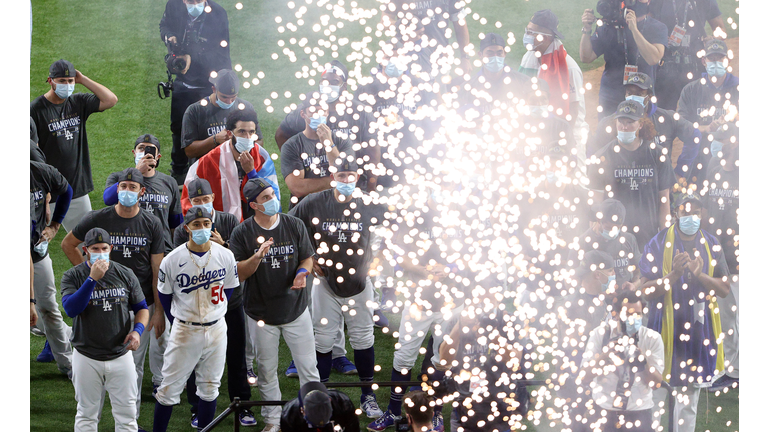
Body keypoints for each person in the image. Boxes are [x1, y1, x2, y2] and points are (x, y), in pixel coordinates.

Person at [61, 168, 166, 422]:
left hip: (139, 303)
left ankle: (132, 420)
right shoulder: (98, 218)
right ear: (116, 190)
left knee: (134, 368)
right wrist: (87, 274)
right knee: (90, 390)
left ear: (142, 191)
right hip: (96, 303)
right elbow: (67, 244)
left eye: (133, 187)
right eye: (123, 186)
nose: (127, 191)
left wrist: (159, 312)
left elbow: (156, 270)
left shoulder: (152, 223)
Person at [289, 159, 387, 418]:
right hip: (326, 284)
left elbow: (394, 226)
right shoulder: (315, 202)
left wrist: (380, 257)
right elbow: (291, 227)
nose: (345, 181)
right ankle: (321, 398)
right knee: (322, 339)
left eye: (350, 175)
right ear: (333, 175)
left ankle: (368, 395)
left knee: (364, 339)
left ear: (358, 176)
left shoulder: (368, 203)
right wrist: (311, 257)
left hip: (360, 284)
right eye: (341, 175)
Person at [367, 183, 465, 432]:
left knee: (442, 361)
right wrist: (422, 270)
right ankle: (393, 412)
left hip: (451, 304)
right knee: (403, 358)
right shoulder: (414, 217)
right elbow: (400, 255)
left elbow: (471, 256)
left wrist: (450, 268)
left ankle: (436, 414)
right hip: (418, 300)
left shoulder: (462, 217)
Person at [229, 178, 321, 432]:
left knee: (308, 368)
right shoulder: (242, 233)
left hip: (296, 310)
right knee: (266, 371)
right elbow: (239, 273)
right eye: (266, 198)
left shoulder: (293, 224)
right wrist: (257, 257)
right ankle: (273, 420)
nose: (272, 201)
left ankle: (312, 416)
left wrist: (302, 273)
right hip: (261, 314)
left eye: (273, 194)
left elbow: (307, 257)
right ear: (254, 205)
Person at [637, 193, 730, 432]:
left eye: (696, 212)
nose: (691, 216)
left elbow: (724, 289)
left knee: (688, 401)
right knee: (657, 395)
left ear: (702, 215)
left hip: (699, 330)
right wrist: (672, 276)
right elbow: (645, 291)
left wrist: (700, 275)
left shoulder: (711, 243)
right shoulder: (657, 244)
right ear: (676, 212)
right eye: (686, 211)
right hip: (663, 329)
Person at [173, 179, 256, 428]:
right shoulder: (182, 230)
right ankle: (197, 408)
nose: (202, 204)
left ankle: (242, 404)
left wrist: (224, 247)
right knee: (194, 357)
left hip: (230, 303)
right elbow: (178, 267)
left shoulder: (229, 222)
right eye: (196, 201)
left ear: (213, 197)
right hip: (198, 308)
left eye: (205, 199)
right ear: (189, 201)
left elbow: (242, 263)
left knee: (236, 355)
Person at [153, 206, 240, 432]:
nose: (202, 228)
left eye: (206, 223)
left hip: (217, 329)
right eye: (197, 224)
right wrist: (177, 319)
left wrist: (216, 310)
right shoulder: (172, 259)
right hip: (185, 330)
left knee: (210, 388)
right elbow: (164, 294)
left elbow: (228, 289)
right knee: (169, 389)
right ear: (187, 228)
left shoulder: (225, 255)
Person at [61, 228, 149, 432]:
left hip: (121, 354)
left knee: (127, 416)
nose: (100, 252)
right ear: (85, 250)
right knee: (86, 414)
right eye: (95, 248)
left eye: (104, 248)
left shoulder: (125, 273)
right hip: (86, 355)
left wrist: (137, 331)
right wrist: (92, 279)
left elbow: (142, 308)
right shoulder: (73, 276)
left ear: (111, 249)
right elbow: (71, 309)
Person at [30, 58, 118, 230]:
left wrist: (82, 79)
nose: (67, 85)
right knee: (37, 242)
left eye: (70, 81)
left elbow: (111, 100)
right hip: (50, 188)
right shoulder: (35, 110)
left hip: (77, 187)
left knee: (86, 241)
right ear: (50, 81)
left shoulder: (77, 103)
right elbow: (33, 151)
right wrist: (44, 190)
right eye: (62, 81)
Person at [275, 61, 380, 192]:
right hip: (316, 183)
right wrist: (294, 162)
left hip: (350, 182)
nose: (328, 85)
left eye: (334, 82)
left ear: (344, 86)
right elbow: (281, 134)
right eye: (324, 81)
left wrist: (371, 187)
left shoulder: (361, 112)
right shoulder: (307, 111)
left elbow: (372, 151)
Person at [159, 0, 232, 184]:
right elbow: (164, 24)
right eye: (189, 1)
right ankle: (179, 170)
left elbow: (221, 53)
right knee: (178, 127)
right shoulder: (173, 5)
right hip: (183, 82)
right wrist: (169, 36)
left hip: (208, 83)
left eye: (198, 1)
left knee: (207, 128)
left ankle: (208, 169)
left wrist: (194, 57)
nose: (194, 5)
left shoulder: (218, 14)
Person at [587, 100, 675, 249]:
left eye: (630, 122)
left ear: (640, 124)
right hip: (614, 237)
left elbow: (664, 200)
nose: (624, 127)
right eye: (620, 121)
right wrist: (597, 232)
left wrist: (665, 234)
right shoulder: (602, 157)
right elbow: (595, 201)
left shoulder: (657, 155)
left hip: (649, 235)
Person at [588, 72, 701, 182]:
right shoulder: (609, 122)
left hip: (658, 191)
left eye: (639, 93)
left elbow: (694, 135)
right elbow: (594, 152)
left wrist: (680, 172)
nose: (633, 97)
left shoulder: (667, 118)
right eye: (629, 92)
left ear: (649, 96)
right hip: (621, 190)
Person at [436, 299, 530, 432]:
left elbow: (515, 361)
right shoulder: (458, 319)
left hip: (500, 405)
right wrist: (460, 326)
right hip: (464, 406)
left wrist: (494, 336)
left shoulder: (509, 320)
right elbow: (444, 360)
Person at [577, 292, 664, 432]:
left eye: (637, 314)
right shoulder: (599, 334)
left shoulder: (652, 338)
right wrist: (604, 356)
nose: (633, 319)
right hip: (604, 411)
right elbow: (583, 377)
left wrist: (642, 362)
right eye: (628, 314)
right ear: (615, 315)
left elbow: (656, 384)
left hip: (638, 413)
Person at [182, 108, 280, 221]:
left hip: (255, 224)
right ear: (229, 133)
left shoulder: (262, 157)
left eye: (251, 132)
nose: (247, 137)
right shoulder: (208, 162)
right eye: (242, 131)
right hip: (220, 228)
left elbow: (272, 202)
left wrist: (251, 173)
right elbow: (188, 202)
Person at [579, 0, 668, 119]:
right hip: (610, 95)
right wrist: (587, 29)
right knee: (608, 135)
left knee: (643, 133)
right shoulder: (608, 27)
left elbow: (653, 58)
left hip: (641, 94)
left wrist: (634, 30)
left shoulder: (657, 27)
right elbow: (586, 57)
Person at [519, 10, 589, 158]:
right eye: (527, 30)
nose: (527, 35)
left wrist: (564, 142)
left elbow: (573, 111)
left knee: (574, 178)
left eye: (531, 32)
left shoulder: (569, 68)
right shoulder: (528, 58)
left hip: (569, 133)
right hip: (539, 131)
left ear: (544, 37)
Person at [702, 123, 739, 391]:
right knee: (724, 315)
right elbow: (706, 210)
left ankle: (737, 370)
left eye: (725, 141)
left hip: (738, 256)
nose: (721, 146)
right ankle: (731, 369)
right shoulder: (714, 169)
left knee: (738, 313)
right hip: (716, 255)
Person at [104, 134, 183, 253]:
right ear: (134, 153)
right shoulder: (118, 178)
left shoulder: (169, 182)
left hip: (162, 248)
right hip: (130, 246)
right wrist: (136, 172)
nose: (144, 152)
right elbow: (108, 199)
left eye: (149, 149)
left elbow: (176, 222)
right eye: (141, 148)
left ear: (158, 156)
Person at [30, 160, 74, 374]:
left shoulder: (40, 171)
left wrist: (55, 224)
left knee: (48, 308)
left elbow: (67, 191)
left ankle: (67, 364)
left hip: (37, 254)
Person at [677, 39, 739, 188]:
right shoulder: (691, 90)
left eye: (720, 58)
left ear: (728, 60)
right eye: (712, 58)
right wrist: (706, 128)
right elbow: (681, 126)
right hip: (698, 154)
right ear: (704, 61)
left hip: (732, 154)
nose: (716, 62)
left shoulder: (738, 88)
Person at [280, 93, 355, 208]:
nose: (318, 116)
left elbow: (345, 173)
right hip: (306, 208)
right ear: (303, 114)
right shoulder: (292, 146)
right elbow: (298, 188)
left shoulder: (342, 141)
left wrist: (329, 144)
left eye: (322, 111)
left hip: (336, 207)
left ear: (328, 113)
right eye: (313, 111)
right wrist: (335, 181)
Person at [650, 0, 727, 110]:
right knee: (664, 112)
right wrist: (659, 36)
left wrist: (713, 39)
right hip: (666, 66)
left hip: (695, 64)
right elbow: (648, 24)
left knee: (695, 110)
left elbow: (721, 30)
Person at [182, 69, 258, 164]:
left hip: (238, 169)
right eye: (224, 97)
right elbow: (189, 151)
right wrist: (214, 139)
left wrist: (243, 140)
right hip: (206, 169)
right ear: (214, 89)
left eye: (233, 97)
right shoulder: (195, 111)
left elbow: (259, 142)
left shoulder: (246, 107)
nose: (229, 101)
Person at [380, 0, 471, 72]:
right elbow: (385, 21)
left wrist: (465, 57)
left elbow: (460, 23)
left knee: (438, 93)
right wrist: (404, 27)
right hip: (406, 58)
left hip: (439, 58)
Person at [571, 199, 642, 291]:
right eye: (608, 228)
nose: (613, 232)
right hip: (595, 302)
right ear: (599, 220)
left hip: (624, 299)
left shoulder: (628, 239)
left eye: (617, 228)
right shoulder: (583, 242)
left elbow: (639, 269)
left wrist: (634, 285)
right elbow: (572, 278)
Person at [280, 381, 361, 432]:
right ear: (302, 411)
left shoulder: (343, 403)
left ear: (330, 401)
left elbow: (353, 429)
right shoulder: (289, 416)